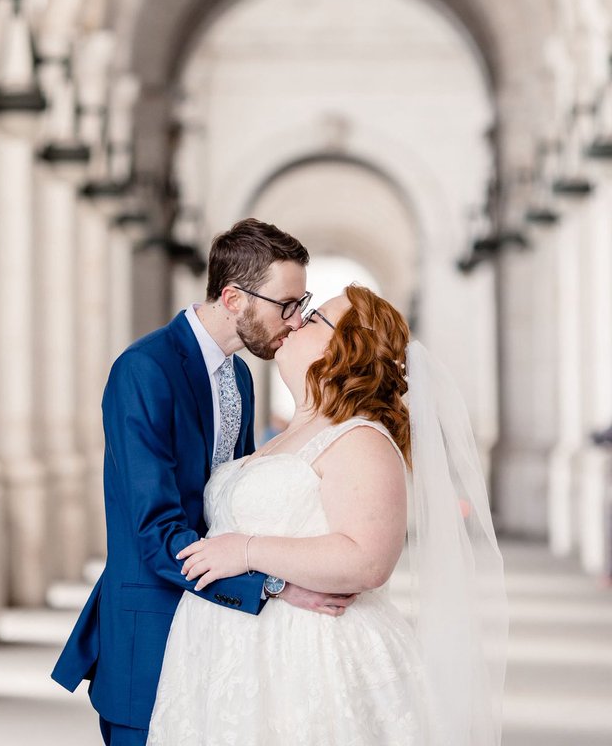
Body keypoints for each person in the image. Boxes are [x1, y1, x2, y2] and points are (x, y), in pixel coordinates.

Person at [147, 284, 508, 746]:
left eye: (313, 316)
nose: (294, 320)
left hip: (310, 656)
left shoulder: (360, 438)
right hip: (228, 655)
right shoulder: (287, 435)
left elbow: (368, 561)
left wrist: (248, 551)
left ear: (346, 349)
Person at [51, 219, 354, 745]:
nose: (296, 320)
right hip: (152, 636)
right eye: (286, 305)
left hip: (220, 640)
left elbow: (230, 507)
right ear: (234, 298)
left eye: (302, 303)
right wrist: (275, 586)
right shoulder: (144, 370)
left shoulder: (238, 376)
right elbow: (155, 531)